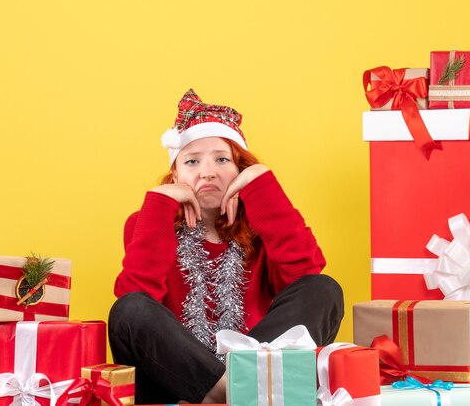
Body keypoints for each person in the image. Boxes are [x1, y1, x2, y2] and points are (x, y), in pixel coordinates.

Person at [108, 89, 344, 404]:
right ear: (176, 173)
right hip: (176, 382)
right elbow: (138, 296)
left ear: (240, 169)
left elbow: (305, 274)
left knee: (323, 288)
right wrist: (159, 204)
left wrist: (262, 183)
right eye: (192, 161)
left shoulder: (264, 223)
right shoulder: (149, 220)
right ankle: (235, 393)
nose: (208, 172)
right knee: (129, 308)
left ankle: (239, 385)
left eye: (222, 159)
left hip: (258, 366)